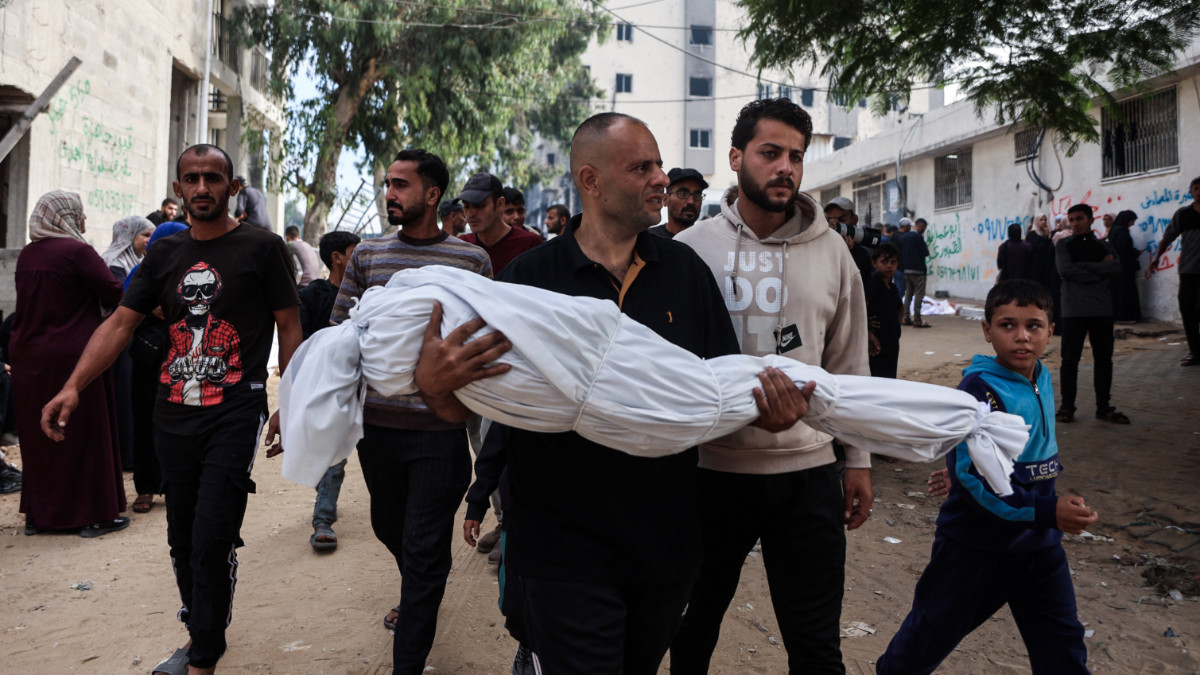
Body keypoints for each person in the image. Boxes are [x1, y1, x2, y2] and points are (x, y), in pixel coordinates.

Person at [414, 112, 801, 674]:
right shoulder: (529, 281)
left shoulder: (686, 273)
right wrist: (435, 387)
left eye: (659, 165)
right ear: (591, 181)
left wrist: (766, 412)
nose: (661, 179)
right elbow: (477, 408)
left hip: (664, 549)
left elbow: (721, 389)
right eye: (642, 168)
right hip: (560, 553)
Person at [41, 145, 302, 674]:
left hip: (235, 411)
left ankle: (203, 653)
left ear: (232, 187)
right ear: (179, 188)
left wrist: (290, 405)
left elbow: (289, 325)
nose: (202, 187)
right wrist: (73, 386)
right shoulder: (163, 254)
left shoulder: (263, 247)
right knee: (182, 537)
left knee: (211, 535)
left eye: (213, 178)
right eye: (192, 178)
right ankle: (201, 621)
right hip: (172, 415)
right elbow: (120, 323)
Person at [671, 97, 872, 674]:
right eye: (770, 153)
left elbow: (849, 362)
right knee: (690, 634)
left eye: (796, 156)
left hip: (807, 476)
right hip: (709, 474)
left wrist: (858, 460)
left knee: (816, 647)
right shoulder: (689, 251)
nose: (786, 167)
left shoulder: (833, 252)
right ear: (736, 158)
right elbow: (669, 367)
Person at [876, 279, 1097, 675]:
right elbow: (975, 479)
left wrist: (1051, 506)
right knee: (922, 644)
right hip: (975, 550)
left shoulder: (1042, 377)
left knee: (1063, 649)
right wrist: (1048, 511)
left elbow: (1025, 455)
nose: (1022, 337)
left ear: (1050, 330)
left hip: (1040, 547)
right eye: (1008, 325)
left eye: (1033, 326)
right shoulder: (979, 390)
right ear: (987, 330)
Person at [328, 149, 491, 673]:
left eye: (401, 184)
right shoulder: (368, 255)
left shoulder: (471, 260)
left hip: (440, 430)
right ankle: (419, 585)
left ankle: (409, 657)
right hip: (376, 429)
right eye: (388, 184)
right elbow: (338, 334)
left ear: (432, 194)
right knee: (388, 527)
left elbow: (485, 338)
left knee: (423, 546)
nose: (390, 193)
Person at [13, 191, 128, 537]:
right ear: (66, 217)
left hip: (28, 356)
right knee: (83, 433)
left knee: (38, 435)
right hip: (74, 356)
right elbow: (115, 292)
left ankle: (39, 515)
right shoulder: (78, 252)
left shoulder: (27, 254)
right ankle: (91, 515)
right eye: (79, 213)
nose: (84, 220)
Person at [299, 230, 360, 550]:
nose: (360, 257)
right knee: (333, 454)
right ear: (337, 258)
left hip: (365, 384)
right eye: (354, 252)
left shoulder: (367, 296)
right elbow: (299, 341)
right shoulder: (314, 295)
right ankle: (323, 520)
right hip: (325, 386)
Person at [125, 221, 191, 516]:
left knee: (182, 422)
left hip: (186, 361)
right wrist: (149, 304)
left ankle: (177, 485)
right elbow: (122, 312)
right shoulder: (143, 273)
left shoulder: (196, 272)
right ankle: (146, 487)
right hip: (149, 362)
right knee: (145, 421)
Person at [1055, 203, 1128, 424]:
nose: (1075, 224)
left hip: (1101, 309)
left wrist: (1082, 269)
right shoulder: (1064, 245)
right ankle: (1067, 406)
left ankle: (1103, 406)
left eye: (1079, 219)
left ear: (1090, 220)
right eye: (1072, 220)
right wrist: (1098, 271)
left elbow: (1115, 268)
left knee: (1104, 359)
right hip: (1073, 309)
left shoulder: (1103, 245)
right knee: (1070, 360)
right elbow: (1065, 270)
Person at [101, 215, 157, 471]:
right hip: (117, 338)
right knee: (123, 397)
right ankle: (125, 456)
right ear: (129, 236)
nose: (148, 241)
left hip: (130, 337)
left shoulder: (135, 263)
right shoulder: (113, 264)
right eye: (144, 235)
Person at [1148, 176, 1200, 366]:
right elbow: (1168, 236)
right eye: (1196, 188)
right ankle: (1195, 351)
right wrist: (1157, 257)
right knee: (1188, 310)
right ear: (1191, 192)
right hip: (1188, 270)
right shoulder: (1183, 214)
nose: (1199, 191)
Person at [459, 172, 542, 276]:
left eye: (479, 205)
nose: (471, 214)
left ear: (500, 204)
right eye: (466, 206)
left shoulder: (530, 244)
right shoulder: (462, 245)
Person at [866, 243, 903, 378]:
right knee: (877, 376)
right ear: (874, 263)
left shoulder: (892, 287)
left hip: (891, 341)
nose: (889, 266)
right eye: (884, 262)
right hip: (877, 341)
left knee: (890, 375)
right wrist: (868, 329)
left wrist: (896, 324)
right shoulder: (873, 283)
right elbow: (863, 305)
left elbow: (900, 307)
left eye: (893, 262)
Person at [825, 196, 873, 290]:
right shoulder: (820, 248)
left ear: (854, 220)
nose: (835, 225)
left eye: (842, 220)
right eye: (830, 220)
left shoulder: (862, 255)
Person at [648, 167, 707, 238]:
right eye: (683, 194)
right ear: (665, 200)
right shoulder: (648, 239)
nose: (691, 201)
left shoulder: (708, 240)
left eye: (697, 195)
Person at [1107, 210, 1142, 322]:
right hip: (1124, 267)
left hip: (1116, 267)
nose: (1133, 224)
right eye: (1132, 221)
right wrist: (1136, 253)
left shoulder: (1114, 230)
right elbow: (1124, 251)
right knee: (1126, 292)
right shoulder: (1122, 232)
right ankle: (1126, 316)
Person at [900, 217, 931, 327]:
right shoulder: (918, 237)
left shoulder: (905, 236)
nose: (924, 230)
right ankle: (917, 319)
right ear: (921, 226)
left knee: (908, 294)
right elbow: (925, 252)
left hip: (907, 269)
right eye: (924, 228)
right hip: (918, 270)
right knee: (919, 294)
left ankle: (905, 317)